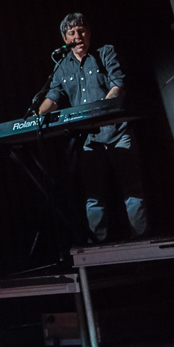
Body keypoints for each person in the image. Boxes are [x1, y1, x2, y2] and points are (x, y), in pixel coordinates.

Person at [37, 13, 148, 243]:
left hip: (118, 133)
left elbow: (119, 84)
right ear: (64, 38)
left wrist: (101, 110)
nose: (78, 36)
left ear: (89, 33)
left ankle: (142, 244)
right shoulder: (62, 66)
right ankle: (99, 253)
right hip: (88, 140)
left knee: (132, 192)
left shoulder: (105, 52)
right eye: (72, 33)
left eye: (82, 31)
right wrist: (36, 115)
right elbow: (54, 97)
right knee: (94, 197)